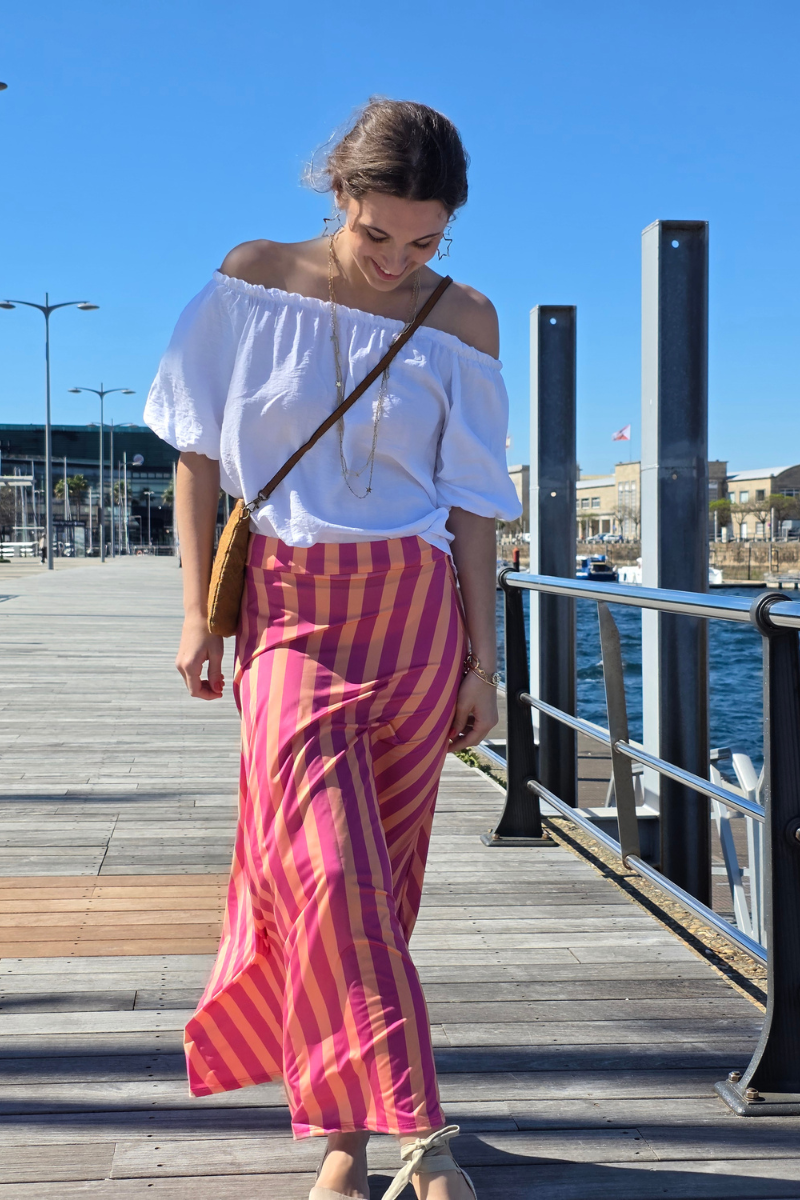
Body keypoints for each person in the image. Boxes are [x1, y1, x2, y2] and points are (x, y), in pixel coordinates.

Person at [145, 98, 521, 1200]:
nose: (398, 261)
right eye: (378, 236)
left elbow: (471, 510)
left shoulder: (465, 320)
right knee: (326, 869)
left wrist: (480, 663)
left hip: (414, 613)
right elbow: (196, 456)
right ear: (338, 197)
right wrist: (195, 613)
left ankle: (343, 1135)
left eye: (424, 243)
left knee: (377, 884)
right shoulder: (250, 277)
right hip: (287, 611)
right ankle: (424, 1137)